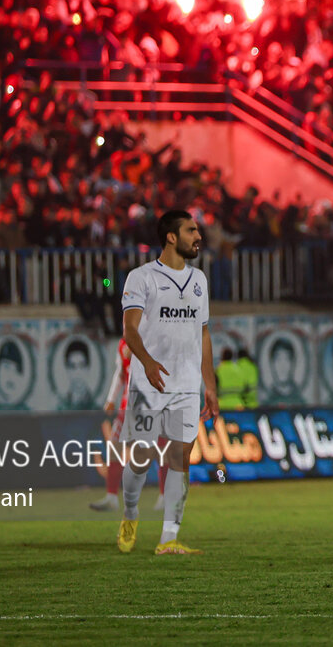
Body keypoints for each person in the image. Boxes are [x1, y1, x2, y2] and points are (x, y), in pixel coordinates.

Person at [116, 209, 219, 555]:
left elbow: (203, 335)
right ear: (172, 237)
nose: (198, 236)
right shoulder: (141, 278)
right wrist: (146, 363)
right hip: (148, 384)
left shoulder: (200, 281)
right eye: (191, 230)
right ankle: (130, 514)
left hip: (187, 385)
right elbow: (130, 330)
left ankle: (168, 539)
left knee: (180, 458)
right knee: (141, 457)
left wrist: (210, 386)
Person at [89, 339, 166, 512]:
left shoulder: (154, 336)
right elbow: (121, 373)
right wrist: (110, 399)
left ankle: (164, 496)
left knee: (161, 451)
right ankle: (111, 497)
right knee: (115, 448)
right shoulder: (124, 343)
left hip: (151, 405)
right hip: (127, 406)